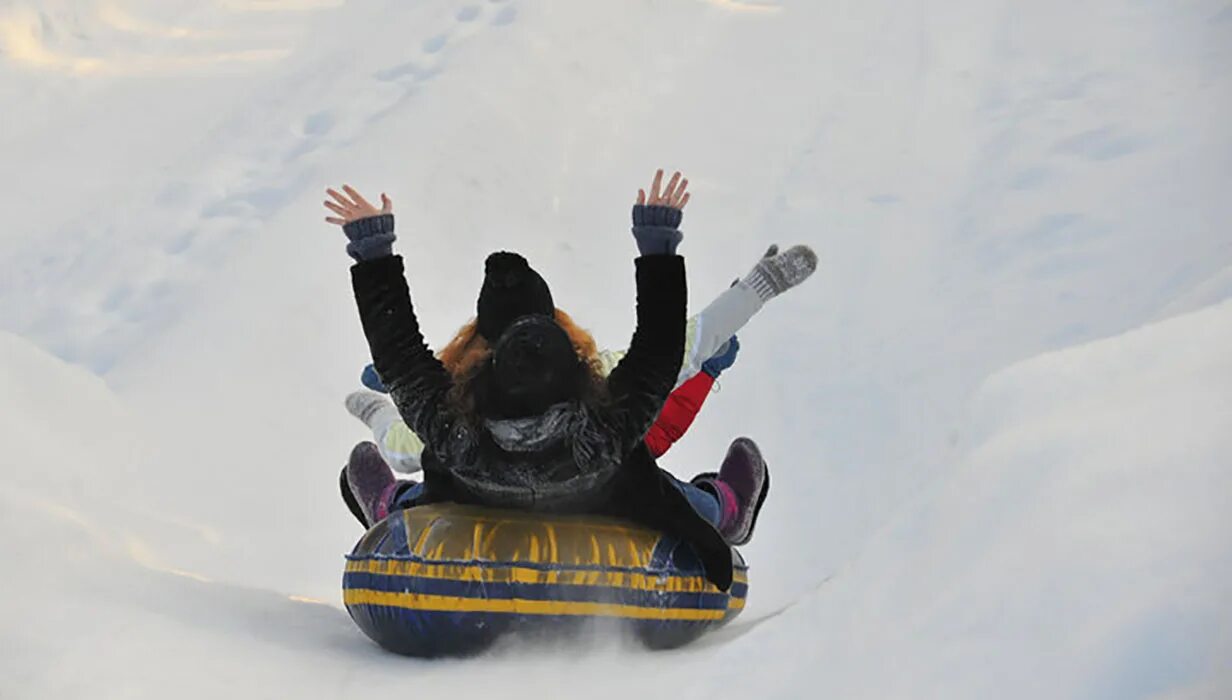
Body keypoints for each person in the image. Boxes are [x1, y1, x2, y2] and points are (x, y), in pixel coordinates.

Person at [323, 171, 787, 590]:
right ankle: (722, 506)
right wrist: (659, 249)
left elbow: (400, 357)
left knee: (425, 491)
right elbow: (661, 351)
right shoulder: (602, 430)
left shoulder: (458, 430)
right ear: (577, 367)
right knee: (662, 493)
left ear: (487, 368)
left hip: (471, 503)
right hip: (603, 505)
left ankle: (392, 506)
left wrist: (374, 252)